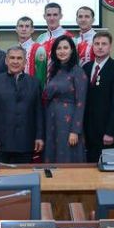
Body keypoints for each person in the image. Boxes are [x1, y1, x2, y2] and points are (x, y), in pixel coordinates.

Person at [0, 46, 44, 164]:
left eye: (19, 58)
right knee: (0, 180)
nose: (15, 61)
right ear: (6, 61)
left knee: (23, 180)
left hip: (26, 142)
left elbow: (39, 112)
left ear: (25, 62)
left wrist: (39, 136)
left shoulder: (35, 83)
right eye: (12, 58)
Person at [83, 32, 114, 163]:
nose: (100, 47)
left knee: (109, 172)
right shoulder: (86, 68)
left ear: (110, 47)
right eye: (97, 44)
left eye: (104, 44)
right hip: (89, 130)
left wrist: (111, 131)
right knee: (90, 170)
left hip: (108, 132)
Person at [42, 35, 87, 163]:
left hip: (68, 123)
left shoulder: (78, 72)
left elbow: (81, 103)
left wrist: (75, 131)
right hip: (52, 120)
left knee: (66, 155)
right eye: (59, 48)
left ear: (72, 50)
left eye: (65, 48)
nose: (62, 51)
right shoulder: (53, 70)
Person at [16, 16, 47, 86]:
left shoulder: (39, 49)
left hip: (31, 90)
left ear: (32, 30)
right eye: (21, 26)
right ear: (16, 29)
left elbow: (41, 76)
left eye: (27, 26)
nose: (23, 29)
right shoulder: (13, 50)